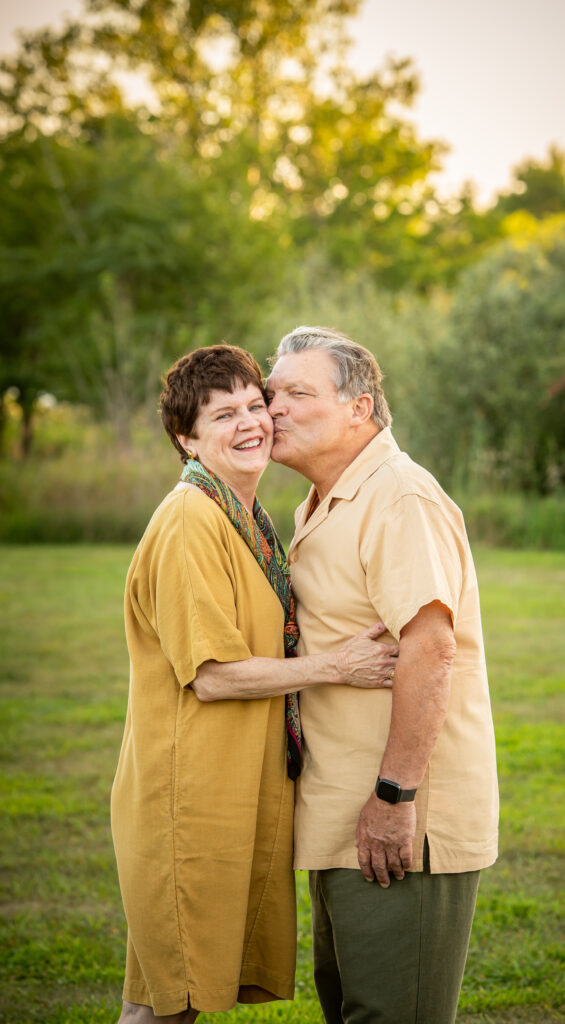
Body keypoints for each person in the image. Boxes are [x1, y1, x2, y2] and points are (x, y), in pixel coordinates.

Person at [110, 344, 398, 1024]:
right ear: (186, 437)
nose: (250, 424)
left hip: (232, 789)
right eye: (222, 415)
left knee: (172, 996)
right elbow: (210, 676)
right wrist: (337, 666)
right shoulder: (190, 520)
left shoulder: (249, 518)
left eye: (254, 406)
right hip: (190, 795)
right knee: (165, 1006)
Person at [266, 326, 499, 1024]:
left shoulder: (398, 497)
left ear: (359, 409)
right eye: (272, 392)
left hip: (397, 822)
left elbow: (431, 649)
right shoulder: (321, 503)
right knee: (353, 1010)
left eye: (297, 393)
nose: (272, 408)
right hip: (340, 814)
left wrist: (395, 798)